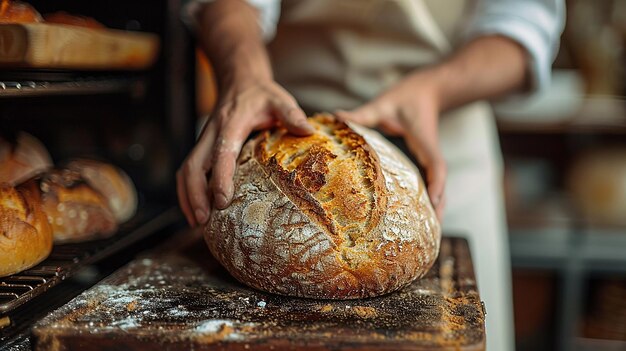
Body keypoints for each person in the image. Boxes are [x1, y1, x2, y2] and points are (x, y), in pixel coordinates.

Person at [178, 0, 565, 350]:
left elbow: (524, 19)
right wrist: (243, 72)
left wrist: (433, 90)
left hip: (440, 147)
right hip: (279, 117)